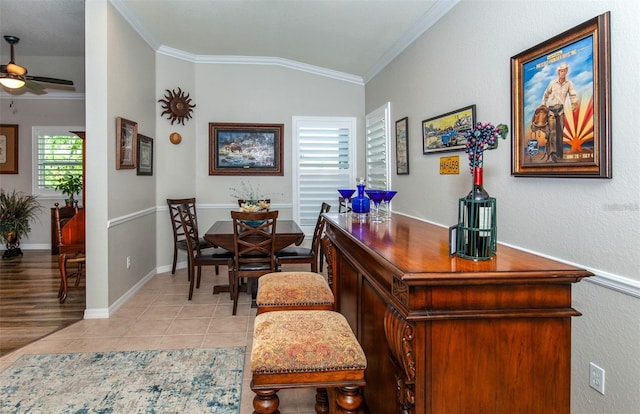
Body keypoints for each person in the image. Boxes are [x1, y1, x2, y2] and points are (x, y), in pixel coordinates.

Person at [541, 62, 578, 162]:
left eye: (565, 70)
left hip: (561, 110)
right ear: (559, 72)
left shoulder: (569, 83)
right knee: (552, 132)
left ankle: (559, 154)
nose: (563, 72)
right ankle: (553, 154)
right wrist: (543, 104)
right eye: (562, 70)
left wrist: (574, 104)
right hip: (551, 110)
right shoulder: (553, 83)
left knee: (560, 132)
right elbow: (546, 93)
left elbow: (573, 95)